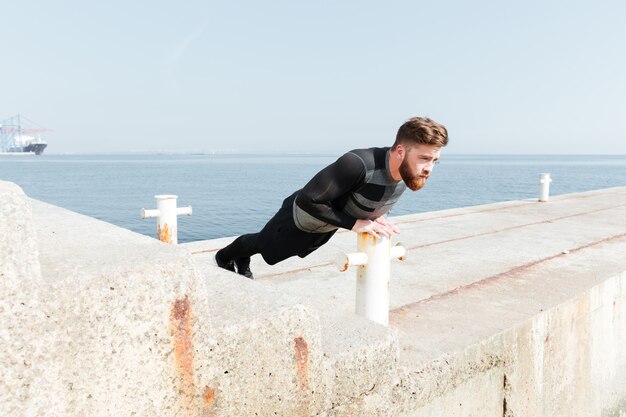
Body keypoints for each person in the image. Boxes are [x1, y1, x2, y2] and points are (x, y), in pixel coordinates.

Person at [215, 117, 448, 279]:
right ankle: (225, 256)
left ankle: (242, 257)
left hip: (326, 225)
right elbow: (309, 200)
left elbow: (372, 194)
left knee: (282, 251)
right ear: (400, 151)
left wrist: (377, 216)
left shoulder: (408, 171)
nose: (429, 168)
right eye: (424, 158)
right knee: (267, 248)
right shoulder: (357, 163)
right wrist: (355, 224)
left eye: (434, 161)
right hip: (300, 217)